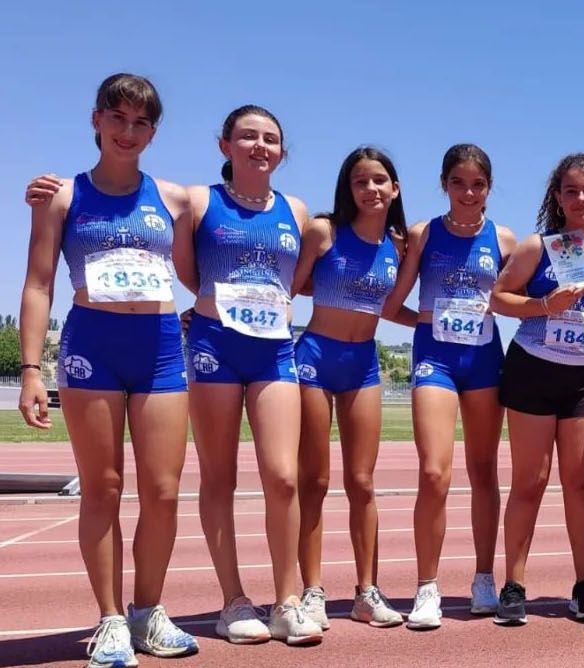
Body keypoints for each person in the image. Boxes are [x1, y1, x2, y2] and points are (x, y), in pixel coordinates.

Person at [19, 73, 200, 666]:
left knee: (165, 491)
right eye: (117, 118)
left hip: (159, 346)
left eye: (141, 122)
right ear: (96, 120)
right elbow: (39, 283)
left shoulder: (175, 199)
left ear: (153, 131)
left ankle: (149, 611)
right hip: (92, 345)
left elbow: (239, 223)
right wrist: (29, 369)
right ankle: (111, 619)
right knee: (103, 488)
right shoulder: (61, 197)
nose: (128, 131)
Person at [178, 105, 321, 644]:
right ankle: (233, 600)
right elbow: (185, 269)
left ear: (282, 152)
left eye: (270, 139)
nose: (260, 146)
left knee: (283, 476)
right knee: (219, 476)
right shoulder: (198, 201)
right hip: (215, 345)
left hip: (273, 351)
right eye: (248, 137)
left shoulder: (297, 210)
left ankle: (286, 599)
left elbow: (306, 271)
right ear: (225, 146)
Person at [382, 144, 516, 629]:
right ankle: (427, 587)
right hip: (435, 358)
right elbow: (390, 305)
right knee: (435, 472)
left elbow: (514, 297)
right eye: (458, 183)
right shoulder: (423, 234)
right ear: (444, 184)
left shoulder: (503, 239)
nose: (468, 192)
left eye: (477, 184)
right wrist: (427, 320)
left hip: (484, 360)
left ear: (489, 188)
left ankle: (483, 577)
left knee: (484, 469)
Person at [490, 153, 584, 625]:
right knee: (530, 481)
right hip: (533, 371)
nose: (581, 198)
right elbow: (499, 299)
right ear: (558, 198)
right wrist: (545, 304)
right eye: (571, 190)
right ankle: (514, 585)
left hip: (583, 377)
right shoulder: (538, 247)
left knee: (580, 485)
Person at [290, 147, 413, 630]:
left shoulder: (399, 245)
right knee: (314, 482)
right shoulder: (325, 232)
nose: (371, 189)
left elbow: (390, 307)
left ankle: (367, 591)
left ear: (395, 188)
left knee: (362, 483)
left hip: (363, 362)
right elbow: (292, 284)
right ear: (349, 188)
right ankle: (313, 592)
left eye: (380, 180)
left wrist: (431, 320)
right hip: (315, 358)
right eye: (361, 182)